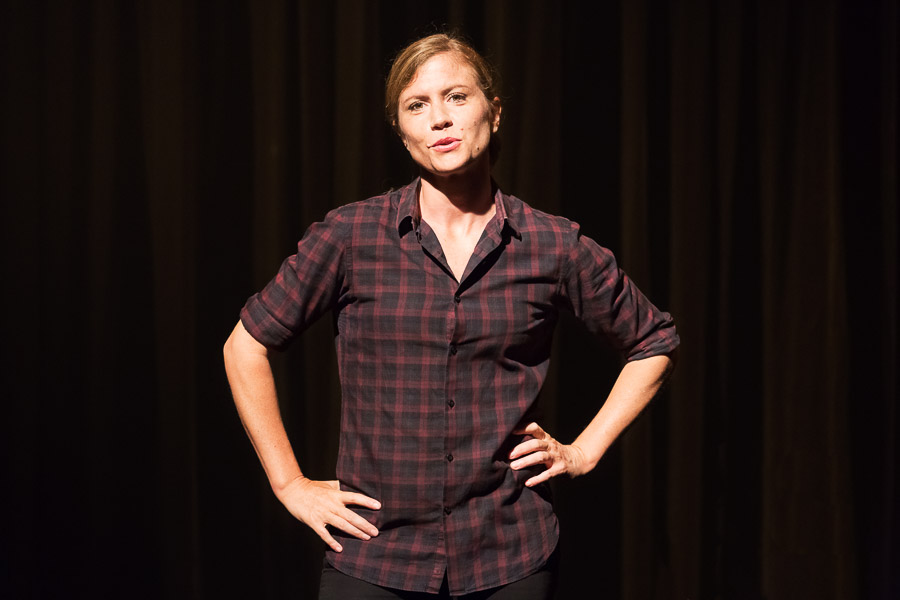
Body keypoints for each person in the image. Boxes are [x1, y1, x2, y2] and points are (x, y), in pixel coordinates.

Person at [223, 33, 679, 599]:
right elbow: (245, 346)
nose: (439, 118)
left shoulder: (551, 244)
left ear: (495, 111)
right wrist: (289, 483)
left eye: (456, 97)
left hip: (510, 554)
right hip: (375, 554)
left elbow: (654, 341)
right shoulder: (351, 236)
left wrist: (582, 451)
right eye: (417, 105)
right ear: (402, 132)